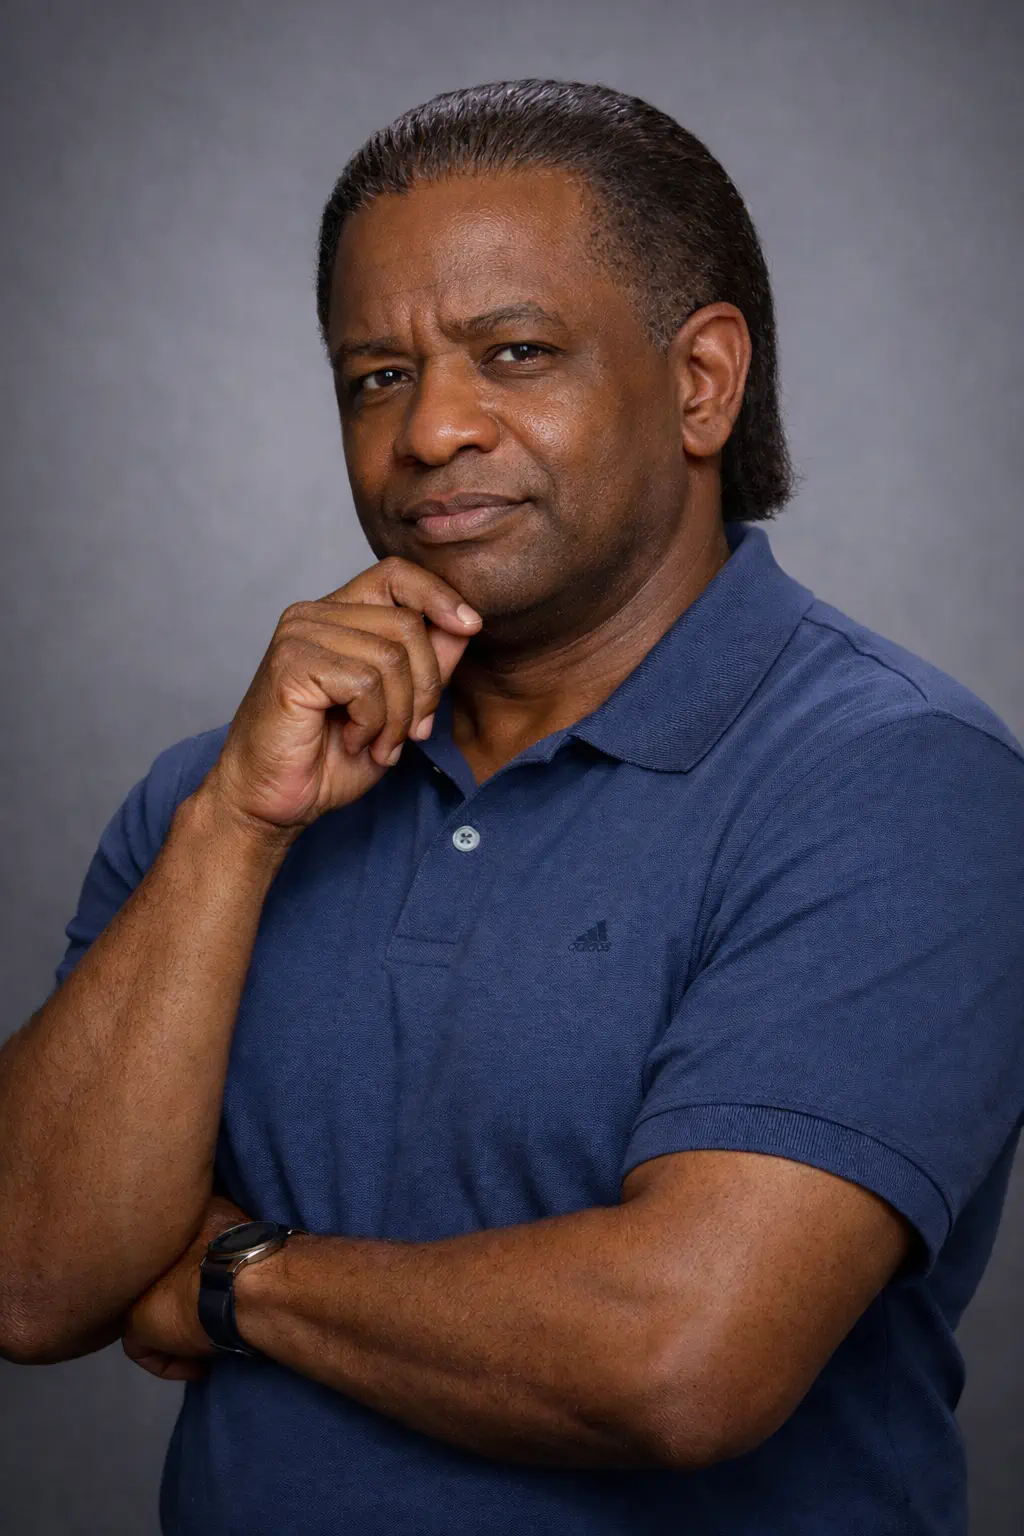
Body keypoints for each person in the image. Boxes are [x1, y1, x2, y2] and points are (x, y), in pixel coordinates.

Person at [1, 78, 1022, 1536]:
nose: (430, 433)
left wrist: (236, 1276)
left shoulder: (899, 780)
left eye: (514, 353)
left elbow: (679, 1360)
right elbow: (31, 1278)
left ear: (701, 383)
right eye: (376, 376)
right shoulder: (221, 795)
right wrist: (237, 826)